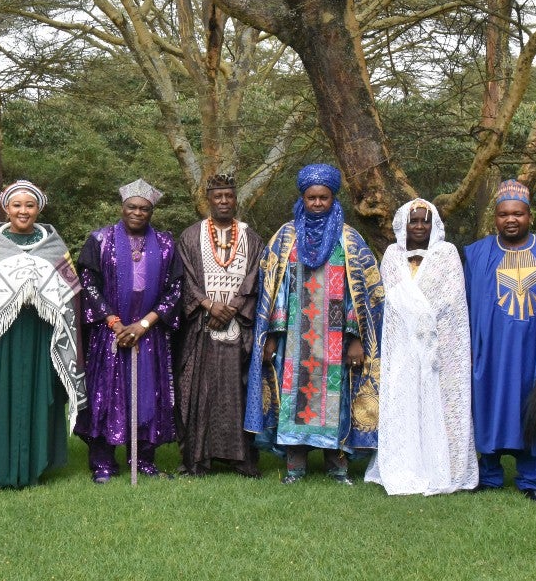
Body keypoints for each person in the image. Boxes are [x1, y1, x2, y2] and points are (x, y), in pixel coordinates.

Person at [244, 163, 384, 485]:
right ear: (303, 199)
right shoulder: (286, 238)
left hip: (335, 334)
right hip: (294, 335)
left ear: (333, 198)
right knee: (295, 398)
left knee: (336, 401)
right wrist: (272, 336)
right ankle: (295, 468)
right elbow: (274, 288)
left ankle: (337, 468)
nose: (318, 203)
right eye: (311, 198)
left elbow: (359, 293)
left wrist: (356, 338)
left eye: (324, 197)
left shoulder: (350, 240)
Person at [0, 180, 86, 490]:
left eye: (30, 205)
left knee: (38, 395)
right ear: (6, 208)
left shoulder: (53, 245)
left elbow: (70, 296)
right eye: (17, 205)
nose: (23, 211)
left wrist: (41, 296)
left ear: (38, 208)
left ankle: (34, 465)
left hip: (41, 336)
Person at [464, 180, 536, 502]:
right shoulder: (477, 254)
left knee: (534, 409)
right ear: (495, 218)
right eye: (503, 214)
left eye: (518, 214)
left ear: (530, 216)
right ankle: (489, 475)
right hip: (489, 350)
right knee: (488, 407)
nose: (510, 220)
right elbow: (464, 303)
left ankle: (530, 480)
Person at [364, 199, 478, 495]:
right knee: (405, 399)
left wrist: (425, 323)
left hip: (435, 343)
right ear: (403, 223)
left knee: (437, 401)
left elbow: (451, 299)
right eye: (413, 220)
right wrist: (413, 320)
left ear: (434, 224)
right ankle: (406, 465)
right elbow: (389, 298)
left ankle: (440, 465)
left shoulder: (447, 254)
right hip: (402, 343)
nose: (418, 226)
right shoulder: (391, 255)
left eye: (424, 221)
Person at [73, 179, 183, 483]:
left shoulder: (165, 244)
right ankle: (103, 462)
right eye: (132, 207)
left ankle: (143, 458)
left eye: (144, 209)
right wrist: (114, 322)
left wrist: (145, 323)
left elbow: (174, 290)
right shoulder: (100, 240)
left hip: (149, 332)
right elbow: (88, 285)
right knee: (106, 395)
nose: (138, 212)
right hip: (110, 333)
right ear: (122, 208)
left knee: (149, 394)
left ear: (151, 212)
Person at [176, 174, 262, 477]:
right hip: (202, 324)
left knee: (237, 389)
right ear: (208, 199)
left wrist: (233, 308)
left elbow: (255, 279)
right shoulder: (189, 236)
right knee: (200, 390)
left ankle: (240, 458)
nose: (223, 201)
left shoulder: (252, 239)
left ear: (235, 199)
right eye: (218, 196)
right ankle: (198, 457)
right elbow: (184, 277)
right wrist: (209, 305)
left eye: (228, 196)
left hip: (238, 325)